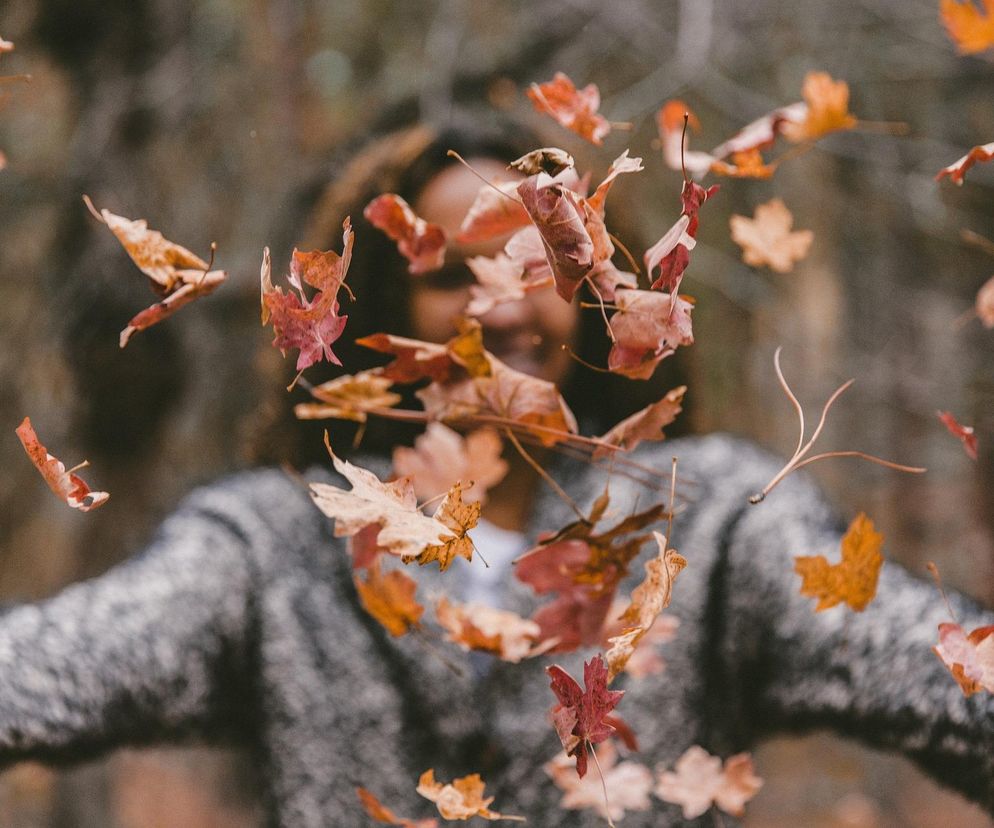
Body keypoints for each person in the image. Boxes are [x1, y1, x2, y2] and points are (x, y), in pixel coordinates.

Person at [2, 109, 993, 828]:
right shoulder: (278, 544)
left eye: (539, 269)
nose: (505, 309)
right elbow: (59, 665)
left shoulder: (712, 522)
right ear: (381, 316)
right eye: (448, 280)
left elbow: (946, 679)